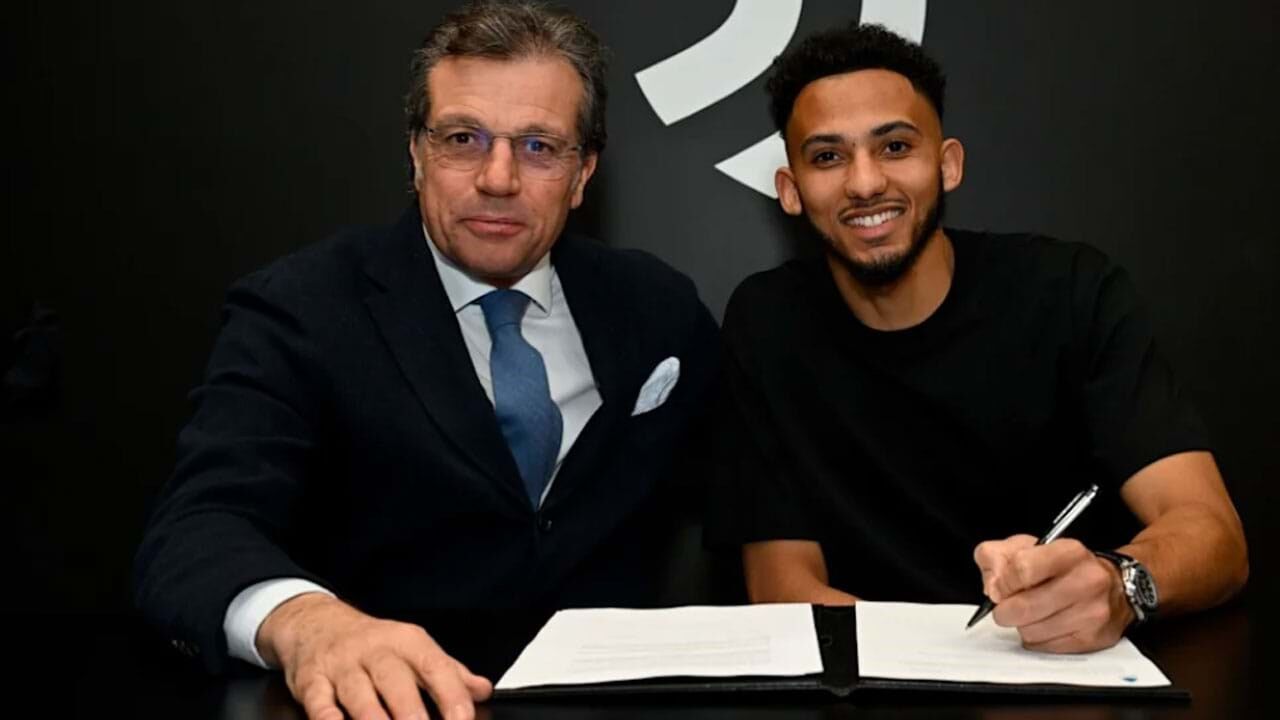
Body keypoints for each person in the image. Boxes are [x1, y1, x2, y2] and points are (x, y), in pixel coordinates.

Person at [133, 3, 717, 718]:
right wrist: (310, 626)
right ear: (416, 154)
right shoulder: (303, 309)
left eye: (538, 146)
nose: (498, 178)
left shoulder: (657, 308)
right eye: (463, 139)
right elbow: (195, 530)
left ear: (582, 172)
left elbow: (750, 480)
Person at [707, 23, 1248, 654]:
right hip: (872, 679)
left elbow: (1215, 536)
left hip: (1063, 669)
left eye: (895, 147)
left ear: (948, 165)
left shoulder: (1070, 292)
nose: (865, 183)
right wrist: (936, 667)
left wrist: (1119, 584)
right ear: (791, 190)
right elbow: (781, 585)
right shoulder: (768, 322)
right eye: (828, 157)